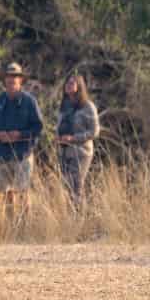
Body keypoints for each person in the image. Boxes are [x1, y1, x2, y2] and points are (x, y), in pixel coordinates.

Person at [0, 62, 43, 218]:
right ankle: (10, 227)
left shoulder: (30, 102)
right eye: (9, 79)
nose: (12, 82)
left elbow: (38, 127)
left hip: (23, 154)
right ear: (5, 81)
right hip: (2, 154)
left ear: (20, 81)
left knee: (23, 192)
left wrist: (20, 135)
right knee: (6, 193)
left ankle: (25, 228)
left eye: (15, 79)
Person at [56, 73, 99, 208]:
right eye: (67, 83)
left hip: (81, 152)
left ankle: (80, 218)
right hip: (64, 152)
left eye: (72, 83)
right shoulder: (64, 106)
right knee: (67, 187)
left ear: (79, 86)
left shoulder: (87, 106)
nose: (68, 86)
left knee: (76, 186)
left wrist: (73, 138)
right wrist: (58, 137)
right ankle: (71, 217)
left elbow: (94, 131)